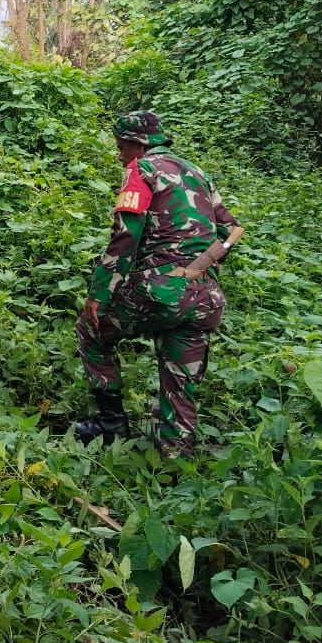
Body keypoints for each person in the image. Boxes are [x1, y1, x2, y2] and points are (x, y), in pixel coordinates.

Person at [75, 111, 242, 459]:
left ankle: (110, 426)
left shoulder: (142, 170)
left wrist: (98, 295)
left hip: (157, 292)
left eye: (122, 147)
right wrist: (197, 268)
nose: (120, 155)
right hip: (203, 297)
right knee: (179, 376)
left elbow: (125, 237)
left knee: (92, 330)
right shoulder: (197, 172)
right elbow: (231, 230)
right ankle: (173, 457)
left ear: (137, 144)